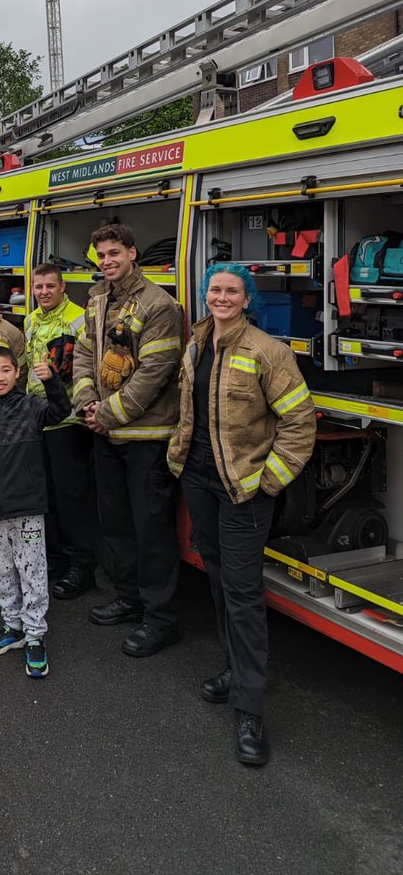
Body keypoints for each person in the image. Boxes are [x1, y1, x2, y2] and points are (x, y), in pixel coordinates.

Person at [168, 263, 316, 766]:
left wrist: (269, 481)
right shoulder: (196, 344)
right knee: (217, 580)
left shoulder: (267, 352)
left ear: (247, 299)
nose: (222, 297)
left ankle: (250, 708)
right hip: (201, 482)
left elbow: (299, 422)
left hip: (244, 491)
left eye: (232, 291)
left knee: (244, 592)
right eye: (215, 290)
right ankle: (235, 670)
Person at [72, 223, 185, 658]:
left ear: (133, 253)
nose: (107, 261)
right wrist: (86, 402)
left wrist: (108, 415)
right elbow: (84, 353)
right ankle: (130, 597)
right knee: (117, 523)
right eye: (101, 255)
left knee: (151, 528)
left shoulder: (160, 305)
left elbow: (154, 373)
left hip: (145, 437)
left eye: (115, 253)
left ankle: (160, 619)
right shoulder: (98, 297)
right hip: (106, 431)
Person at [0, 347, 71, 678]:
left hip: (27, 507)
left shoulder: (31, 407)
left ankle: (35, 635)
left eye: (6, 370)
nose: (0, 377)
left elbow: (61, 411)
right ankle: (12, 626)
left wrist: (52, 382)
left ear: (17, 373)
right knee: (0, 571)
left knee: (33, 570)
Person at [24, 263, 97, 600]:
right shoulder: (31, 320)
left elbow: (88, 368)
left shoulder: (81, 318)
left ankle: (83, 565)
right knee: (46, 496)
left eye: (50, 286)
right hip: (37, 419)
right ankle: (55, 559)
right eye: (38, 287)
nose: (44, 292)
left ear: (63, 286)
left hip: (68, 420)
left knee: (72, 499)